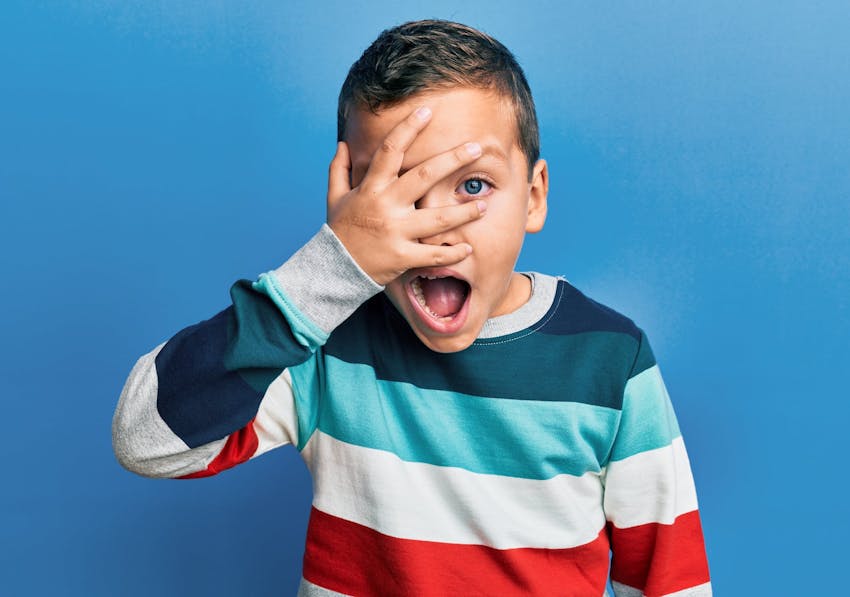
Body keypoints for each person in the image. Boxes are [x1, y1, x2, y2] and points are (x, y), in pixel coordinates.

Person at [112, 19, 711, 596]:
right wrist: (331, 267)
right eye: (396, 190)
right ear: (349, 205)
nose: (435, 230)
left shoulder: (610, 360)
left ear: (533, 197)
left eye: (473, 186)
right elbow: (145, 441)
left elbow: (670, 582)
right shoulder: (320, 340)